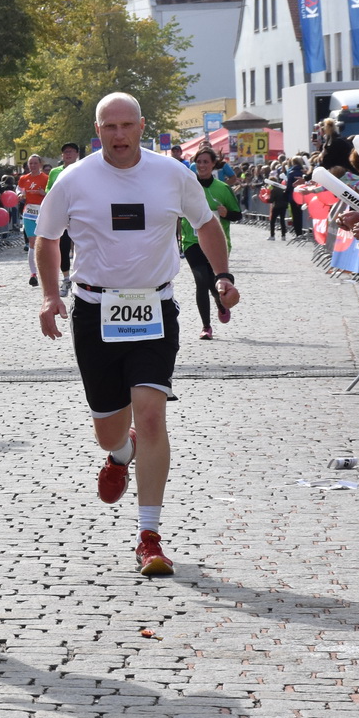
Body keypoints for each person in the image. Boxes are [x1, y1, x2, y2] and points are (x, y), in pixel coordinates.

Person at [33, 94, 239, 578]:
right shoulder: (73, 179)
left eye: (128, 125)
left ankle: (149, 535)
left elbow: (205, 225)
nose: (120, 135)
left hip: (154, 308)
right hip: (94, 309)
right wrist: (49, 296)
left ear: (142, 126)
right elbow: (46, 239)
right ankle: (118, 451)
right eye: (110, 127)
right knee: (110, 426)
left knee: (150, 414)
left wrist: (223, 275)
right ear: (97, 129)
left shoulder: (171, 174)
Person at [182, 147, 242, 340]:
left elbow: (238, 215)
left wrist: (226, 214)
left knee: (212, 280)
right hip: (192, 242)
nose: (202, 166)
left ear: (213, 164)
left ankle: (219, 300)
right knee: (201, 280)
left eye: (206, 162)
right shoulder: (188, 187)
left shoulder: (222, 189)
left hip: (218, 244)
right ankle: (206, 326)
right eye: (198, 162)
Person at [45, 142, 83, 295]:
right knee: (63, 246)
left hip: (80, 212)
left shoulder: (83, 169)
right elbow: (49, 188)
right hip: (63, 213)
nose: (68, 154)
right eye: (65, 152)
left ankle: (81, 277)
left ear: (76, 154)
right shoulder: (55, 172)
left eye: (71, 151)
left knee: (82, 244)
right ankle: (66, 279)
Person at [17, 154, 49, 287]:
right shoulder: (24, 178)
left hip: (43, 213)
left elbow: (53, 194)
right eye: (31, 163)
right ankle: (33, 274)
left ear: (40, 164)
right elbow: (18, 190)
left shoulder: (46, 178)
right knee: (32, 242)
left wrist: (44, 193)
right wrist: (20, 195)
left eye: (35, 163)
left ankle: (46, 271)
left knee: (44, 242)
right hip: (29, 213)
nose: (33, 166)